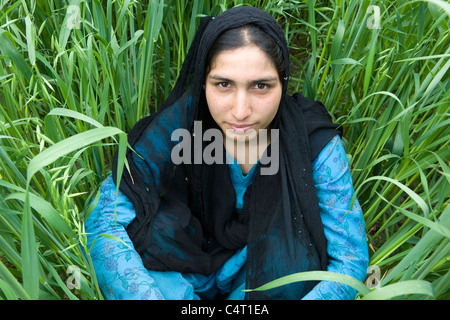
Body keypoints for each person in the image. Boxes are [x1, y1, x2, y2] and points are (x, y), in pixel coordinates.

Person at [85, 6, 369, 300]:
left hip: (265, 274)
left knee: (296, 262)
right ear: (203, 83)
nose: (240, 111)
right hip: (187, 266)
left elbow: (349, 261)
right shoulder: (183, 122)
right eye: (223, 84)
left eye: (261, 86)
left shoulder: (312, 142)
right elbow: (104, 216)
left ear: (282, 84)